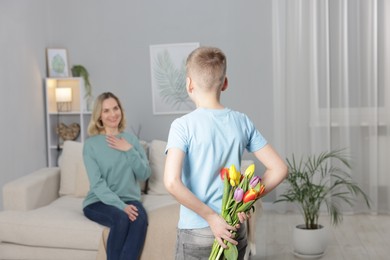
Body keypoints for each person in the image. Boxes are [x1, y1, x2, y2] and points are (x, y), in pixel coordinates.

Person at [164, 46, 288, 259]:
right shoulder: (241, 122)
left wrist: (211, 218)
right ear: (225, 83)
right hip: (233, 227)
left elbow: (172, 182)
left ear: (189, 83)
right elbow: (280, 168)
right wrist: (245, 200)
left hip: (196, 231)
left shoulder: (182, 126)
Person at [82, 92, 151, 260]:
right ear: (99, 116)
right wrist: (121, 206)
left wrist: (129, 150)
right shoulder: (91, 145)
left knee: (140, 220)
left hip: (130, 198)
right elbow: (97, 184)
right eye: (106, 111)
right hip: (98, 201)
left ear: (121, 110)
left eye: (115, 108)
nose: (113, 114)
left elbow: (145, 174)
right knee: (121, 218)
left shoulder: (131, 140)